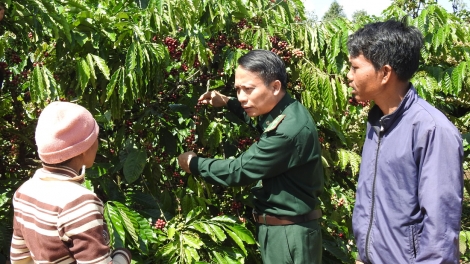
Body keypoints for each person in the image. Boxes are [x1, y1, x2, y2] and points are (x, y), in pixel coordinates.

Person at [177, 49, 324, 263]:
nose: (242, 98)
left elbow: (239, 170)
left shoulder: (287, 131)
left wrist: (194, 163)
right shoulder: (287, 110)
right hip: (283, 229)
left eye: (249, 89)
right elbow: (258, 119)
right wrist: (227, 101)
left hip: (289, 235)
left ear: (275, 87)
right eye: (238, 90)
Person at [348, 19, 464, 264]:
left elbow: (440, 226)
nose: (349, 76)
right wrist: (364, 255)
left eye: (355, 68)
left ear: (385, 73)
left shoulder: (431, 129)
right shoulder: (377, 122)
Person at [10, 102, 132, 264]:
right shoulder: (80, 203)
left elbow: (19, 259)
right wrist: (122, 256)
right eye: (95, 137)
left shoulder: (23, 192)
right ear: (83, 149)